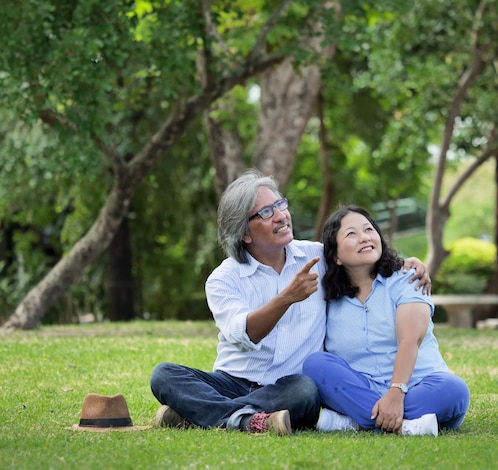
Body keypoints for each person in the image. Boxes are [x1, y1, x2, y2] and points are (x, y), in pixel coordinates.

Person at [150, 170, 431, 435]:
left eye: (280, 204)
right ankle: (247, 419)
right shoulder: (223, 278)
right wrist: (287, 297)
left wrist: (405, 263)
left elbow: (361, 259)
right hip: (232, 382)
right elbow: (247, 333)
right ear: (245, 233)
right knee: (163, 375)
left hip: (290, 386)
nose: (281, 216)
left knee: (306, 391)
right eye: (266, 212)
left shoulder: (318, 257)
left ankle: (201, 415)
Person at [302, 206, 470, 436]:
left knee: (453, 389)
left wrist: (396, 393)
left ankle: (359, 421)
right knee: (316, 364)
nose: (365, 237)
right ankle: (407, 426)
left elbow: (410, 340)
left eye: (369, 229)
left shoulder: (407, 278)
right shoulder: (328, 296)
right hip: (362, 388)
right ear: (335, 256)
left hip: (418, 387)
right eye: (351, 234)